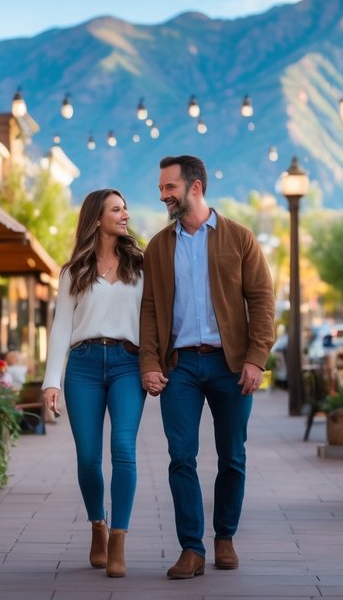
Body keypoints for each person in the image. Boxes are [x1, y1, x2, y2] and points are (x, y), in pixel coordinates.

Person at [139, 155, 275, 580]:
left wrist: (256, 358)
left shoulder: (239, 237)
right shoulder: (159, 246)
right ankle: (191, 549)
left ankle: (225, 537)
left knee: (232, 456)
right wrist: (148, 361)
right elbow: (148, 309)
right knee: (181, 457)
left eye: (169, 188)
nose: (162, 195)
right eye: (161, 189)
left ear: (195, 188)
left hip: (229, 366)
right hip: (179, 367)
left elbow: (262, 301)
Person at [42, 189, 146, 578]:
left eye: (125, 207)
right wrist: (51, 381)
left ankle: (118, 538)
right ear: (97, 218)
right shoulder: (73, 272)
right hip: (83, 366)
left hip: (127, 364)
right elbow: (61, 327)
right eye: (116, 209)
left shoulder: (140, 264)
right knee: (88, 457)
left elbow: (153, 321)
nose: (125, 214)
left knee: (123, 446)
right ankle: (97, 526)